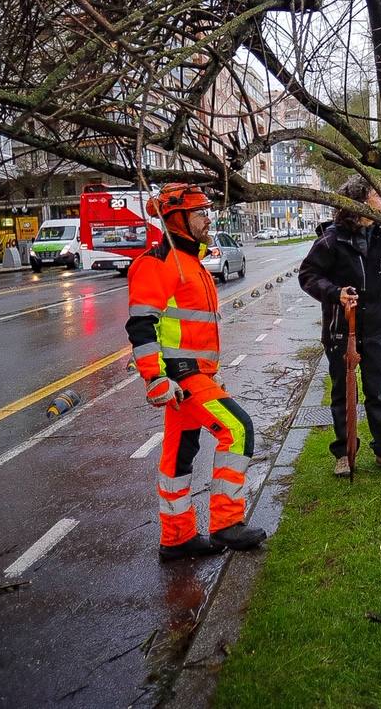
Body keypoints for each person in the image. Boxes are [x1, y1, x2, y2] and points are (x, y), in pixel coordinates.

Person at [126, 183, 267, 560]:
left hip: (192, 376)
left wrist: (209, 370)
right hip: (180, 378)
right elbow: (142, 327)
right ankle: (226, 523)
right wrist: (154, 378)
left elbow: (192, 331)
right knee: (237, 429)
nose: (208, 219)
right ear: (177, 219)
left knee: (177, 457)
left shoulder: (193, 263)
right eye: (201, 213)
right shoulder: (159, 263)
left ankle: (177, 537)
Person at [298, 175, 381, 476]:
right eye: (377, 195)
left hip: (375, 327)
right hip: (341, 329)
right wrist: (334, 293)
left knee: (377, 390)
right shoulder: (331, 239)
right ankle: (344, 451)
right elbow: (308, 275)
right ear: (362, 201)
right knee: (343, 391)